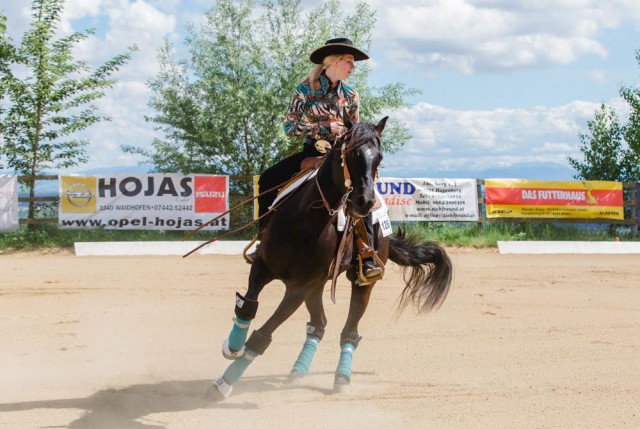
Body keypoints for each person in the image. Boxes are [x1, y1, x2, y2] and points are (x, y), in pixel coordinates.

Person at [251, 37, 382, 280]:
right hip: (311, 153)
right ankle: (264, 237)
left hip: (342, 156)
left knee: (364, 192)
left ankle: (366, 253)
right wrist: (322, 127)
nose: (353, 67)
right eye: (349, 61)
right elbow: (289, 128)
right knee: (268, 179)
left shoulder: (351, 95)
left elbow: (356, 131)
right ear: (333, 61)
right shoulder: (305, 89)